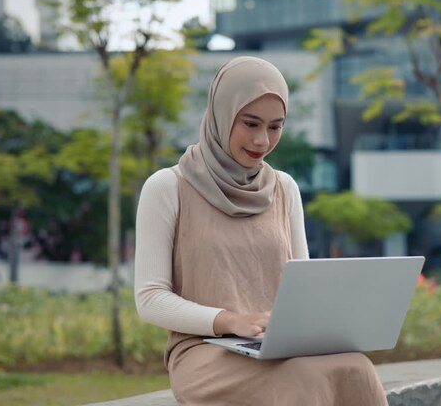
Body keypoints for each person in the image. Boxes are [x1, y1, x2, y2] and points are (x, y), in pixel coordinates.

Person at [134, 56, 388, 405]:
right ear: (222, 115)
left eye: (275, 126)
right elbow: (149, 299)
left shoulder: (284, 188)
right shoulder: (168, 186)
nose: (262, 141)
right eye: (250, 124)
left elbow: (305, 285)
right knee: (302, 380)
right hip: (204, 352)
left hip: (277, 347)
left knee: (357, 367)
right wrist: (231, 320)